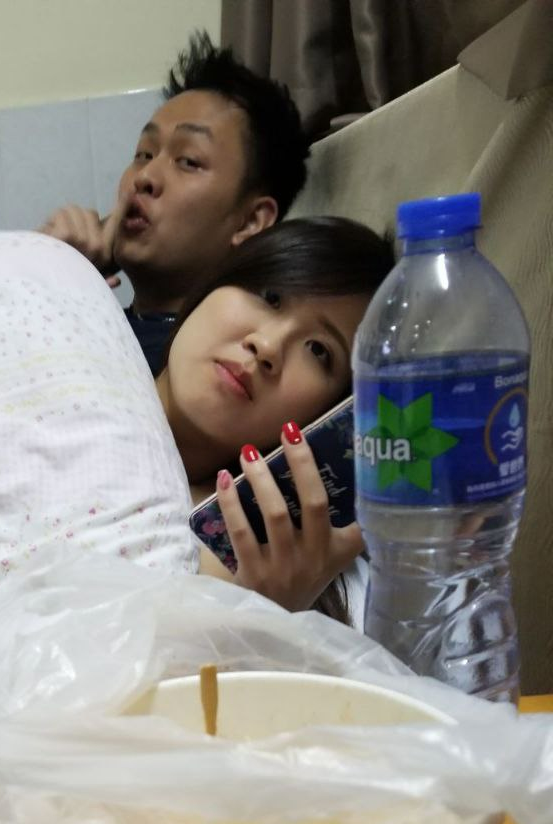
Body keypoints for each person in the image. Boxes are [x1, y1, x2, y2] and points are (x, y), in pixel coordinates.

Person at [155, 214, 395, 620]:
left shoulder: (263, 570)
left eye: (318, 350)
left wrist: (265, 613)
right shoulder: (75, 347)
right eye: (270, 296)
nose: (267, 345)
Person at [40, 30, 309, 373]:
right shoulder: (91, 322)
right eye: (144, 154)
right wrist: (44, 276)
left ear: (250, 221)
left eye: (188, 161)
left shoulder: (209, 373)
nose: (144, 177)